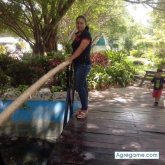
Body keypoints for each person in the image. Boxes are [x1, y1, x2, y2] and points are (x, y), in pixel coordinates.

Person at [67, 15, 92, 119]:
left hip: (84, 64)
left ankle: (85, 109)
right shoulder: (78, 34)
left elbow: (81, 49)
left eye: (81, 23)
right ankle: (84, 107)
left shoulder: (86, 34)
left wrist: (70, 58)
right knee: (83, 86)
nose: (79, 25)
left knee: (78, 86)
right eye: (77, 23)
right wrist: (70, 57)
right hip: (78, 64)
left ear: (85, 24)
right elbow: (75, 48)